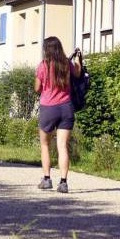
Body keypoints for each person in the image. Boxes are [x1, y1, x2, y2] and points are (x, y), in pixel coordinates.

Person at [35, 37, 81, 194]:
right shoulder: (66, 64)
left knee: (45, 144)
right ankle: (63, 182)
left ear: (46, 50)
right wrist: (78, 60)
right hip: (66, 107)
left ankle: (47, 179)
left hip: (49, 107)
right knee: (62, 146)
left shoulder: (43, 66)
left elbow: (37, 88)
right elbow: (78, 73)